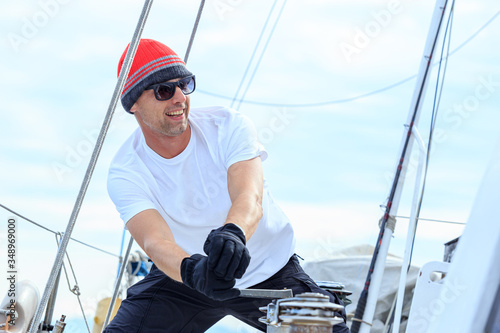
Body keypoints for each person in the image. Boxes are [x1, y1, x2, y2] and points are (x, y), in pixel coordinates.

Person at [105, 38, 349, 333]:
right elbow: (156, 242)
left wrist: (233, 235)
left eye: (185, 84)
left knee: (327, 329)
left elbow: (249, 197)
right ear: (133, 104)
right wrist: (193, 271)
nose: (180, 98)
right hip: (185, 276)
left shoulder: (228, 126)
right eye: (164, 90)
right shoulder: (126, 170)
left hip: (268, 268)